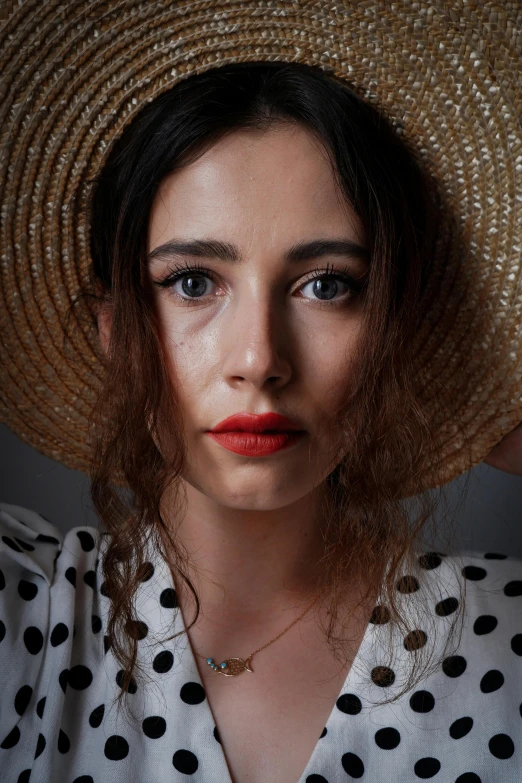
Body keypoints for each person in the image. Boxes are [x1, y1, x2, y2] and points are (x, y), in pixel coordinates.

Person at [1, 3, 522, 782]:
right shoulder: (31, 617)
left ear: (393, 324)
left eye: (326, 285)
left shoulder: (505, 633)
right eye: (192, 281)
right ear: (112, 330)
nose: (259, 359)